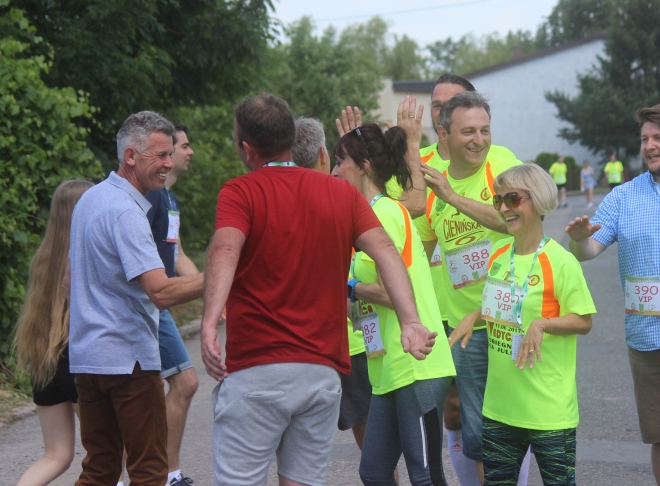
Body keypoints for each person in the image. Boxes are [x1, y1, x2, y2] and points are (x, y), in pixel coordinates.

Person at [200, 93, 436, 486]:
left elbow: (225, 248)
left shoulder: (240, 192)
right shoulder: (341, 193)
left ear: (246, 148)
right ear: (291, 139)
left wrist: (210, 321)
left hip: (257, 369)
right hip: (321, 373)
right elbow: (386, 252)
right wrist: (410, 320)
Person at [564, 103, 660, 485]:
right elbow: (589, 251)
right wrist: (579, 241)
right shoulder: (623, 196)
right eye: (645, 138)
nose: (650, 146)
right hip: (648, 339)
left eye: (659, 137)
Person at [69, 111, 205, 486]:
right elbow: (160, 291)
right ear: (130, 156)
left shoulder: (90, 200)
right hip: (128, 361)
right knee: (149, 470)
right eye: (159, 155)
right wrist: (224, 276)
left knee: (100, 468)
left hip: (88, 360)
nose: (167, 163)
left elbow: (71, 281)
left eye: (169, 154)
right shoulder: (126, 211)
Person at [450, 164, 596, 486]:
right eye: (499, 200)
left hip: (548, 411)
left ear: (539, 200)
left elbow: (584, 321)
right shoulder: (499, 255)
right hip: (499, 408)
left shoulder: (560, 261)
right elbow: (503, 308)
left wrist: (542, 324)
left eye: (513, 199)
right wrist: (475, 315)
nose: (504, 208)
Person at [333, 122, 455, 486]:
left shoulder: (385, 212)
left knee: (424, 475)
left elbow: (393, 293)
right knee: (373, 471)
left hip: (418, 363)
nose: (336, 170)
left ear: (364, 165)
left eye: (340, 162)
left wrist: (350, 286)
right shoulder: (368, 214)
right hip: (387, 367)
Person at [414, 91, 524, 484]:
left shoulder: (503, 167)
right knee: (476, 429)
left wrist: (453, 197)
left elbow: (514, 220)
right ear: (444, 134)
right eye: (468, 132)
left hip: (510, 317)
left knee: (516, 420)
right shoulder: (433, 186)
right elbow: (419, 258)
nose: (479, 139)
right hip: (462, 328)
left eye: (484, 130)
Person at [292, 117, 374, 455]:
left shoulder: (280, 200)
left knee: (304, 436)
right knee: (372, 433)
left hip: (305, 340)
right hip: (353, 338)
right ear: (324, 156)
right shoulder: (343, 196)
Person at [13, 179, 93, 486]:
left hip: (45, 359)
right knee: (110, 453)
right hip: (80, 359)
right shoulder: (84, 256)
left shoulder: (44, 258)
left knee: (56, 455)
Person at [145, 124, 200, 486]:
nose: (189, 152)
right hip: (149, 302)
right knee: (184, 382)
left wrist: (212, 291)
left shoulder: (170, 200)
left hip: (159, 305)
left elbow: (176, 253)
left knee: (174, 384)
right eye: (183, 146)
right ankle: (162, 474)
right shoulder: (150, 197)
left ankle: (160, 472)